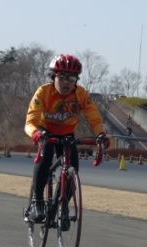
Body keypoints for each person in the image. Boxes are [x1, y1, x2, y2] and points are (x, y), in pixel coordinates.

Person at [24, 54, 110, 223]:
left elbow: (94, 117)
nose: (66, 83)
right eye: (61, 77)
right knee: (45, 158)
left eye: (71, 78)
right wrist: (36, 133)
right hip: (46, 131)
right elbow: (30, 120)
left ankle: (62, 203)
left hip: (67, 133)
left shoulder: (80, 94)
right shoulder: (43, 92)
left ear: (76, 80)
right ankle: (37, 201)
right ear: (53, 77)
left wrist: (101, 134)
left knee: (73, 169)